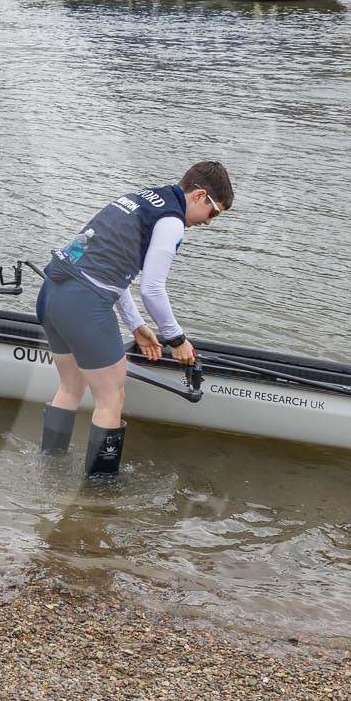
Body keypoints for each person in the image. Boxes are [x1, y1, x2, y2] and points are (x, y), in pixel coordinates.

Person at [37, 161, 235, 476]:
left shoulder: (140, 199)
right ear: (200, 196)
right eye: (214, 213)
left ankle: (48, 468)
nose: (209, 223)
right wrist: (177, 339)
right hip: (83, 304)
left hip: (51, 294)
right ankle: (100, 491)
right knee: (111, 399)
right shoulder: (171, 221)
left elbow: (113, 272)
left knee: (70, 387)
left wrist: (137, 326)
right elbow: (152, 289)